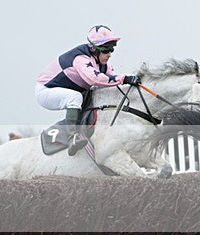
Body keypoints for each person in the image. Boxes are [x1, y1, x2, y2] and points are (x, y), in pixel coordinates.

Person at [35, 25, 141, 155]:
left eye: (111, 50)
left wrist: (133, 82)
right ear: (93, 49)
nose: (109, 55)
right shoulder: (80, 58)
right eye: (106, 50)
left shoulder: (104, 64)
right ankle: (72, 137)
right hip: (46, 91)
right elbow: (94, 79)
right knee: (75, 98)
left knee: (96, 95)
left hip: (69, 90)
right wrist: (125, 78)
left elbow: (113, 80)